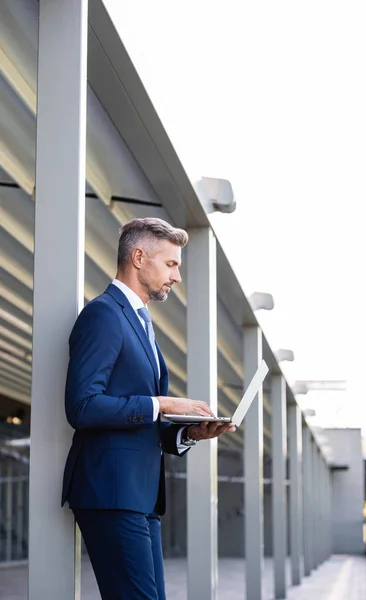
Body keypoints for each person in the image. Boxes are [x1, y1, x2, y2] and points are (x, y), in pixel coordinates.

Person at [61, 217, 235, 600]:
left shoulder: (141, 324)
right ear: (139, 258)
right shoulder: (104, 315)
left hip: (140, 496)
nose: (177, 276)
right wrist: (162, 403)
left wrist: (188, 432)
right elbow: (83, 406)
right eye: (171, 264)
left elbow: (143, 422)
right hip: (111, 492)